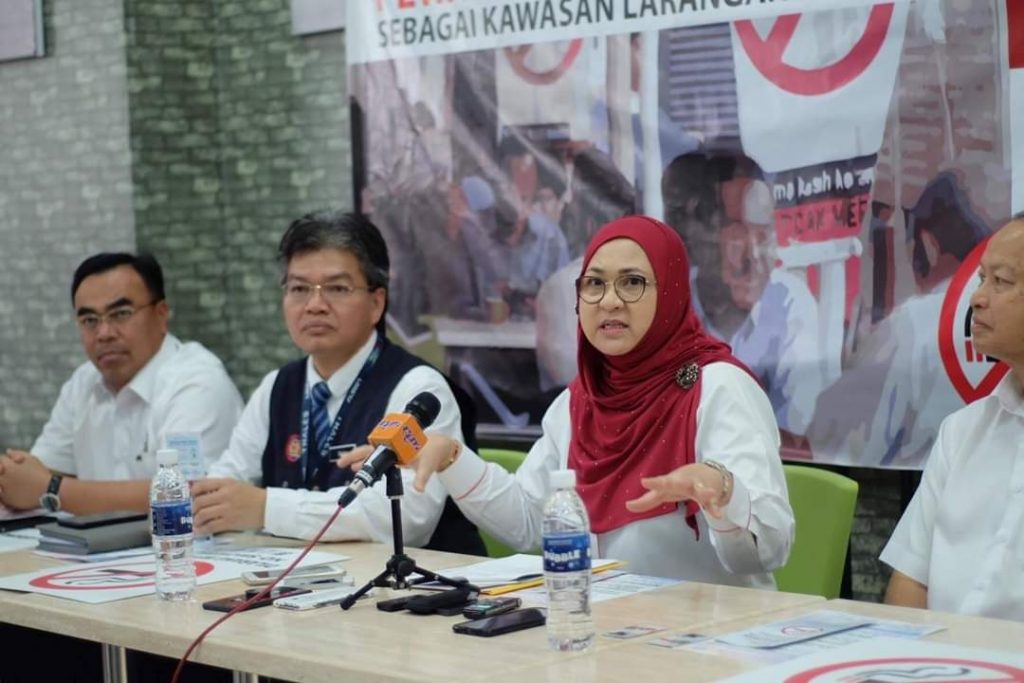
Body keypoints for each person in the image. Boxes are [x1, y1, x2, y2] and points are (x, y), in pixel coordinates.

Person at [342, 216, 794, 586]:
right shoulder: (581, 400)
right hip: (606, 631)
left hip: (713, 639)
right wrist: (450, 458)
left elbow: (767, 552)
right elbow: (528, 521)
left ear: (672, 293)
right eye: (594, 284)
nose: (610, 301)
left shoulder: (718, 388)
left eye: (633, 282)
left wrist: (724, 494)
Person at [193, 210, 484, 555]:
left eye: (336, 288)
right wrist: (217, 503)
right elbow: (223, 486)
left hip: (416, 583)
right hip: (302, 580)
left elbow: (407, 517)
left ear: (376, 303)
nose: (315, 305)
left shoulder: (419, 389)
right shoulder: (277, 387)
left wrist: (266, 508)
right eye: (299, 288)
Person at [0, 252, 242, 514]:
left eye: (120, 314)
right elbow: (38, 473)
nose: (104, 333)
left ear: (161, 314)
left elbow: (188, 494)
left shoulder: (196, 381)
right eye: (90, 321)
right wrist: (12, 478)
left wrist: (52, 490)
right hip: (94, 540)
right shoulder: (83, 382)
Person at [880, 215, 1024, 620]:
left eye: (1001, 281)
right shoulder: (961, 431)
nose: (977, 298)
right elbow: (911, 579)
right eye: (981, 279)